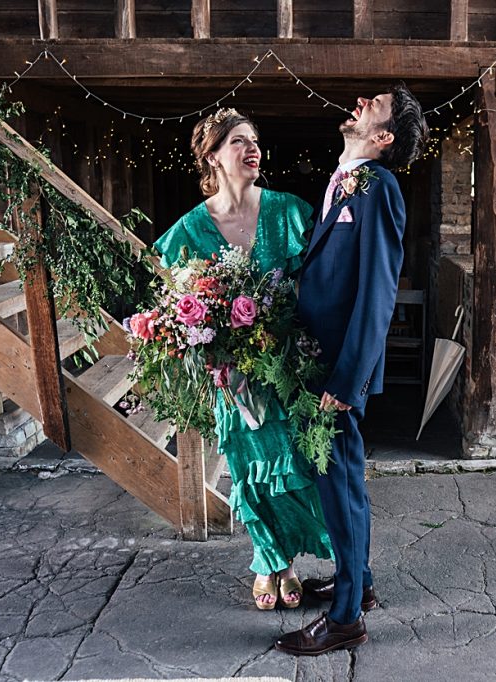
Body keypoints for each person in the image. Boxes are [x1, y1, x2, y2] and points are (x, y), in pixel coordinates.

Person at [153, 108, 334, 612]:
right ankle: (269, 562)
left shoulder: (289, 211)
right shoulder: (189, 229)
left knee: (289, 468)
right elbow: (172, 295)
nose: (252, 148)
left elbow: (317, 287)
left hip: (285, 370)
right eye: (238, 141)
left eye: (255, 140)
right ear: (212, 155)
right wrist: (201, 342)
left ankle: (287, 563)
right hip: (232, 381)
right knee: (249, 469)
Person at [275, 84, 428, 656]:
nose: (362, 102)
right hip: (319, 359)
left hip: (336, 369)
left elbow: (378, 293)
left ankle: (344, 621)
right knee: (345, 480)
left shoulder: (379, 188)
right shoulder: (344, 180)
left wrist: (347, 379)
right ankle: (356, 584)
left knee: (337, 486)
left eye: (375, 105)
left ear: (383, 137)